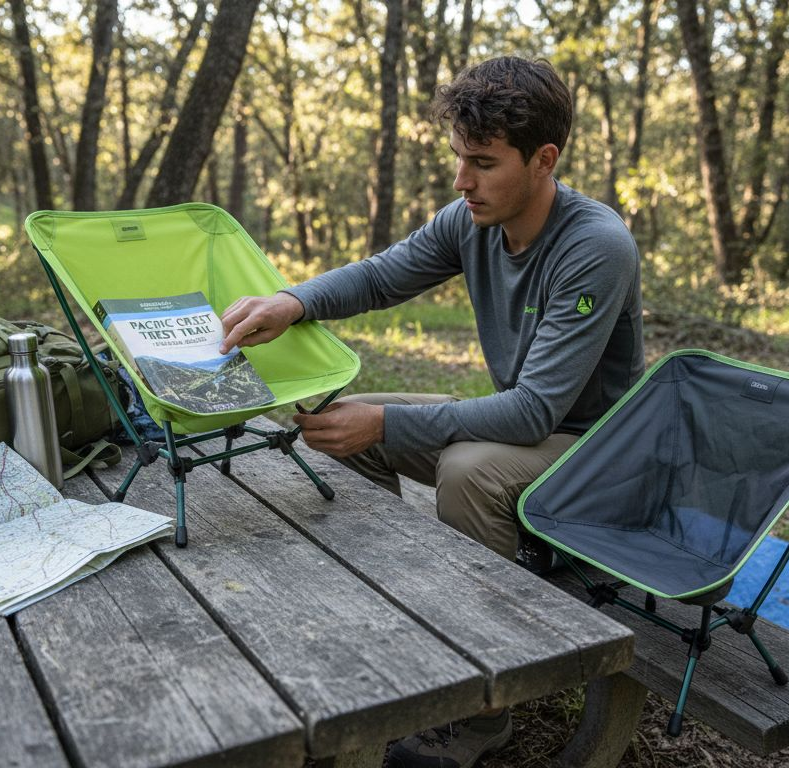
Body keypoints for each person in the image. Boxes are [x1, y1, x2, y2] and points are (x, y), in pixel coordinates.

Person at [220, 55, 643, 767]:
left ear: (545, 160)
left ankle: (478, 710)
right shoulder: (471, 219)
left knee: (468, 470)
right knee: (341, 425)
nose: (461, 181)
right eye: (457, 158)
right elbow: (384, 275)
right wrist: (292, 302)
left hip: (595, 450)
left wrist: (387, 425)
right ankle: (400, 633)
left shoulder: (595, 246)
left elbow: (535, 412)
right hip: (528, 422)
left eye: (482, 162)